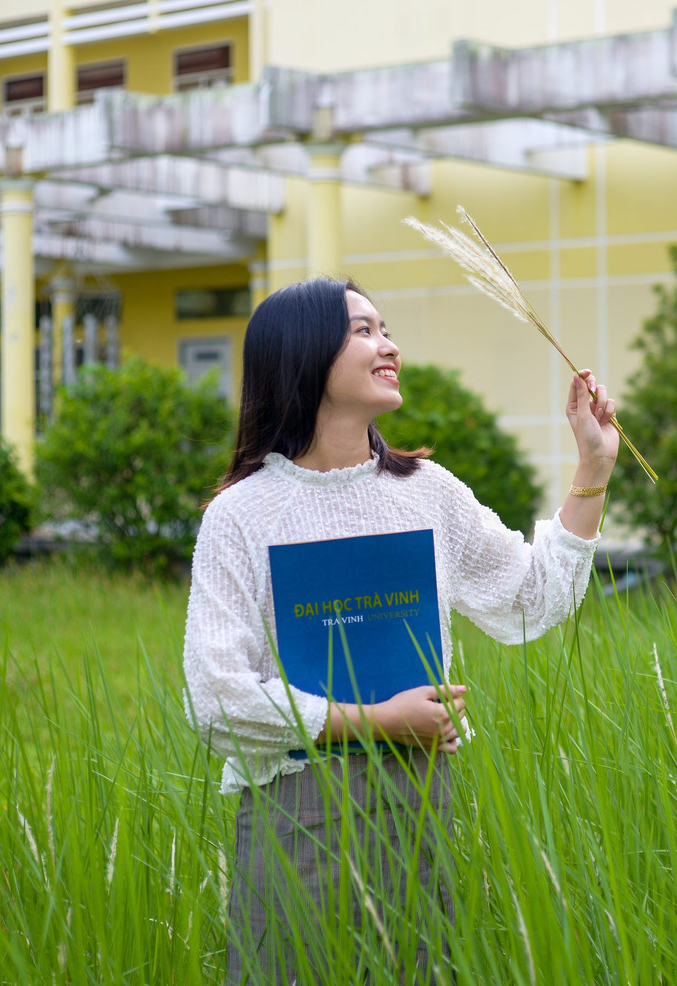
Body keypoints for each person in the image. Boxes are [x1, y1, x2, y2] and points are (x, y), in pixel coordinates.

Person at [182, 276, 619, 983]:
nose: (390, 347)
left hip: (419, 799)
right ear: (303, 354)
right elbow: (215, 701)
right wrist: (378, 719)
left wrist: (593, 469)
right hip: (297, 810)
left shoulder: (427, 492)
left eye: (386, 329)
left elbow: (531, 598)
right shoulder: (242, 517)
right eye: (363, 331)